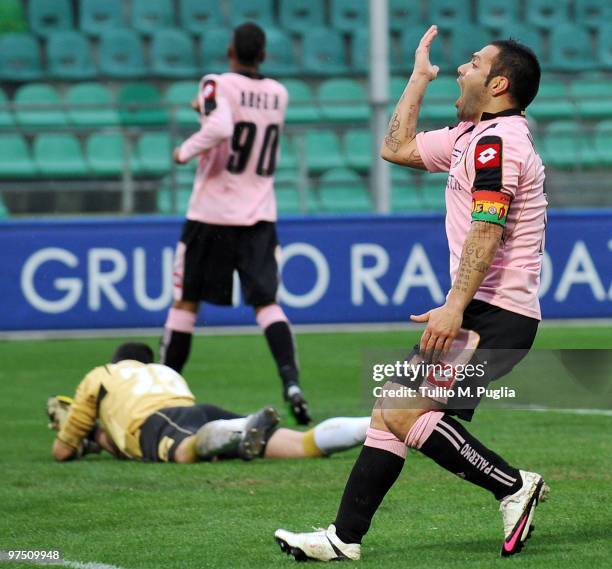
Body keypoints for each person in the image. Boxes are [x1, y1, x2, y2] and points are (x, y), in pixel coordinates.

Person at [274, 26, 549, 561]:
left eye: (472, 63)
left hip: (493, 312)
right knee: (388, 410)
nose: (461, 69)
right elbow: (394, 147)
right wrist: (417, 80)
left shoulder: (498, 145)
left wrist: (453, 307)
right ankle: (343, 538)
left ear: (499, 84)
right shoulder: (473, 136)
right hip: (480, 308)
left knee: (400, 412)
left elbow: (487, 229)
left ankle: (513, 485)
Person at [159, 22, 310, 425]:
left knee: (185, 302)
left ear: (230, 50)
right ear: (263, 55)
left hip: (210, 213)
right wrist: (208, 113)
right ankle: (291, 381)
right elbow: (243, 116)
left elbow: (223, 126)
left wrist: (182, 152)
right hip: (258, 213)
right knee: (267, 304)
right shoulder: (279, 93)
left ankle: (163, 390)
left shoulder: (215, 83)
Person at [49, 343, 369, 465]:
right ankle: (374, 424)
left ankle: (233, 433)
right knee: (303, 444)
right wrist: (98, 440)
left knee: (185, 451)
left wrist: (85, 434)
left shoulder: (102, 375)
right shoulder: (163, 370)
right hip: (197, 412)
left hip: (156, 421)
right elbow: (122, 445)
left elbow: (62, 452)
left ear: (117, 361)